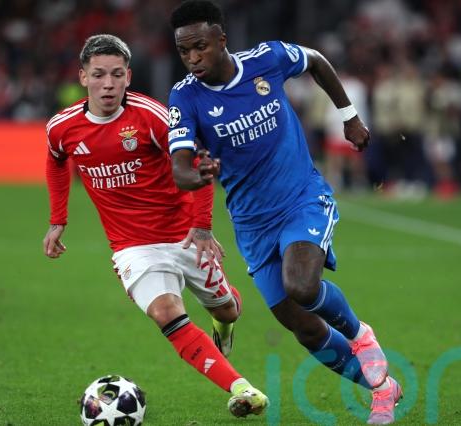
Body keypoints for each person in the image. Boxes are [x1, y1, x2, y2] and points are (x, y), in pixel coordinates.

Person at [167, 2, 402, 424]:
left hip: (301, 197)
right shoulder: (185, 96)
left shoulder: (266, 60)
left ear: (222, 39)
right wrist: (198, 173)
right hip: (252, 223)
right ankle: (383, 390)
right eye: (184, 51)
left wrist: (349, 116)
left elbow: (317, 61)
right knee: (305, 327)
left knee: (302, 285)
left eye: (200, 46)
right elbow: (180, 170)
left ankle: (360, 334)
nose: (193, 58)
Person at [42, 34, 268, 418]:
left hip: (184, 235)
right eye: (99, 75)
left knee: (228, 310)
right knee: (166, 312)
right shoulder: (62, 127)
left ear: (128, 76)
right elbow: (56, 160)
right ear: (83, 77)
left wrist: (202, 227)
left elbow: (199, 165)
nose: (108, 84)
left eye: (116, 74)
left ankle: (223, 323)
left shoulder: (152, 117)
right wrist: (57, 220)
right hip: (132, 247)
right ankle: (243, 389)